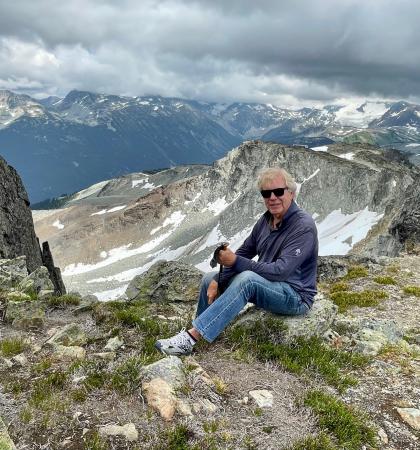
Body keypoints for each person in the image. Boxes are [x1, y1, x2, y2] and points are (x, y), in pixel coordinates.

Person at [155, 167, 318, 356]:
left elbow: (281, 271)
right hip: (273, 286)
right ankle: (199, 333)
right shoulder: (266, 221)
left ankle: (190, 338)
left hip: (295, 296)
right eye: (266, 193)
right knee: (211, 278)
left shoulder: (303, 226)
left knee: (247, 279)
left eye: (278, 192)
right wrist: (220, 277)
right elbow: (246, 252)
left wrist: (234, 261)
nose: (272, 197)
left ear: (291, 193)